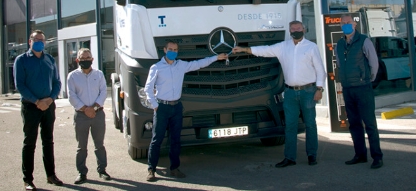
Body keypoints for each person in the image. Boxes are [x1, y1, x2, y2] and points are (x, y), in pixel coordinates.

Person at [232, 20, 326, 168]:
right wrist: (244, 50)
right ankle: (289, 157)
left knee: (310, 125)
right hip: (289, 92)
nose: (296, 30)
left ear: (304, 29)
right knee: (290, 126)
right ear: (290, 31)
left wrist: (319, 89)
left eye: (298, 28)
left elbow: (320, 70)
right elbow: (264, 50)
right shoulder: (283, 47)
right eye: (293, 29)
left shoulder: (311, 47)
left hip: (308, 91)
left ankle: (311, 155)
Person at [144, 40, 228, 182]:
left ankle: (174, 168)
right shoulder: (156, 67)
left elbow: (198, 63)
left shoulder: (181, 65)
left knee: (176, 140)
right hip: (162, 107)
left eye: (176, 50)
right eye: (170, 49)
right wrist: (155, 105)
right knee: (157, 139)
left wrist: (216, 58)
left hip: (176, 107)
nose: (173, 52)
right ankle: (151, 169)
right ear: (164, 50)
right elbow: (148, 88)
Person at [14, 30, 64, 191]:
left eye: (42, 40)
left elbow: (57, 82)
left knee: (48, 141)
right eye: (36, 39)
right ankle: (28, 179)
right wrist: (36, 101)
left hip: (48, 106)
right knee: (30, 143)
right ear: (30, 41)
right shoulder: (21, 60)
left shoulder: (49, 59)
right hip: (31, 107)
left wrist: (50, 99)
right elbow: (20, 85)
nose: (40, 42)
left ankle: (51, 175)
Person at [335, 14, 383, 169]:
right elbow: (340, 65)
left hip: (363, 88)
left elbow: (373, 64)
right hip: (348, 89)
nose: (345, 25)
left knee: (369, 124)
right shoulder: (340, 44)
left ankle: (377, 157)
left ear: (354, 24)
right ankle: (360, 155)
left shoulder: (364, 40)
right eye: (343, 23)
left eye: (348, 22)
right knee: (354, 124)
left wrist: (367, 79)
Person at [67, 48, 110, 184]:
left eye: (88, 58)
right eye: (82, 58)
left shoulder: (99, 74)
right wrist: (86, 109)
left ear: (92, 59)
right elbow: (71, 96)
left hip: (98, 114)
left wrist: (95, 108)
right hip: (81, 115)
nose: (85, 60)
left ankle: (102, 170)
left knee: (99, 145)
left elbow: (103, 91)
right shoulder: (72, 76)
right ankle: (81, 172)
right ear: (77, 60)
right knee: (81, 146)